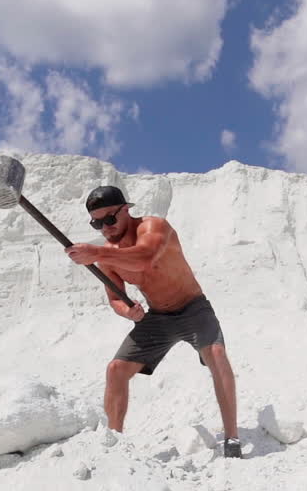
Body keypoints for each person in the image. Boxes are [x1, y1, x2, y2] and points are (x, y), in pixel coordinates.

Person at [65, 185, 242, 458]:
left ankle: (232, 439)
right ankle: (115, 445)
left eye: (110, 219)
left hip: (194, 308)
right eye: (97, 223)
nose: (105, 228)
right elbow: (115, 298)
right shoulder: (108, 256)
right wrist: (128, 311)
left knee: (217, 354)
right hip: (158, 317)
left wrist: (97, 253)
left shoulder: (154, 227)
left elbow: (145, 258)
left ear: (126, 209)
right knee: (116, 369)